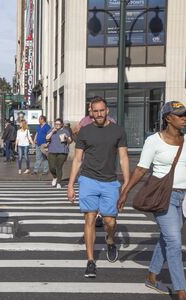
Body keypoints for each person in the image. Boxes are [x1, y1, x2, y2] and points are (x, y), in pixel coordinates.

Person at [117, 101, 186, 298]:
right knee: (174, 241)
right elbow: (141, 169)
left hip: (184, 197)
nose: (184, 118)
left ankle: (152, 276)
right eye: (179, 115)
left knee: (167, 238)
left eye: (185, 114)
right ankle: (181, 291)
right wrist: (125, 192)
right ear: (167, 118)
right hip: (164, 196)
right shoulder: (154, 141)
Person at [67, 96, 130, 278]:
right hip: (88, 180)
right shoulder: (85, 132)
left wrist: (126, 182)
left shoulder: (118, 131)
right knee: (90, 218)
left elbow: (124, 157)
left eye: (102, 110)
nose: (99, 114)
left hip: (110, 181)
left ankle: (110, 240)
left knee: (110, 221)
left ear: (107, 110)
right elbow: (78, 159)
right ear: (91, 112)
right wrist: (71, 185)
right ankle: (90, 261)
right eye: (95, 111)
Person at [46, 118, 72, 188]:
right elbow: (47, 138)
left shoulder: (65, 131)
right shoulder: (51, 130)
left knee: (58, 167)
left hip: (62, 151)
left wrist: (67, 138)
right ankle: (55, 177)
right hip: (52, 151)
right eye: (56, 124)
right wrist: (52, 132)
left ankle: (59, 182)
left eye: (58, 124)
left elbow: (70, 141)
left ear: (62, 125)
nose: (57, 125)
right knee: (51, 167)